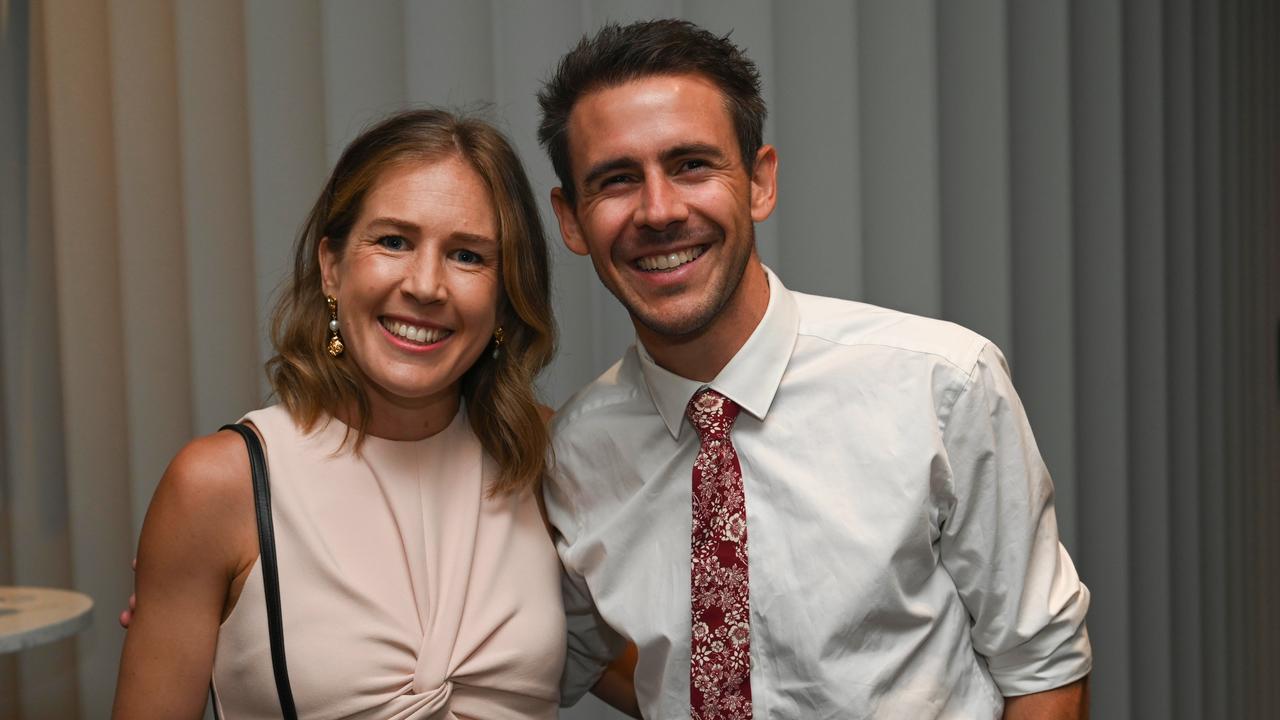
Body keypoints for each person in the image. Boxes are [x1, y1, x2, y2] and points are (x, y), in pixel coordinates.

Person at [537, 19, 1092, 719]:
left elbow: (1044, 668)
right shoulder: (577, 455)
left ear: (759, 183)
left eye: (691, 165)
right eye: (616, 180)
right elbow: (552, 659)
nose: (659, 210)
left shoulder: (940, 384)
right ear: (572, 220)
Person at [113, 109, 568, 719]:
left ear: (506, 291)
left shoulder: (545, 454)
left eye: (467, 255)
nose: (426, 284)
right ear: (332, 267)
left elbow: (667, 669)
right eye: (393, 242)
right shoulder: (222, 486)